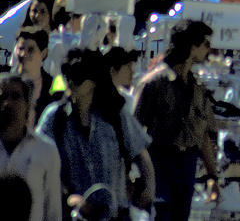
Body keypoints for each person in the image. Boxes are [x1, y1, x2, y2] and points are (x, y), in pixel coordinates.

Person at [38, 48, 155, 220]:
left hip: (115, 214)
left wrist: (148, 189)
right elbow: (41, 163)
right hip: (72, 215)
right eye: (67, 74)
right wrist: (68, 197)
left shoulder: (115, 116)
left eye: (78, 75)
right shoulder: (55, 118)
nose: (71, 81)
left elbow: (141, 154)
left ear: (93, 80)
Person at [133, 20, 218, 221]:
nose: (209, 50)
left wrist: (212, 176)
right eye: (205, 44)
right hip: (160, 160)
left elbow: (203, 133)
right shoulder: (154, 82)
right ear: (191, 46)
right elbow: (135, 131)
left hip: (187, 162)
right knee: (160, 214)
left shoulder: (197, 86)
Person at [0, 72, 63, 221]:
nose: (7, 103)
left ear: (27, 104)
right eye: (2, 97)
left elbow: (53, 211)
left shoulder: (45, 150)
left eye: (15, 96)